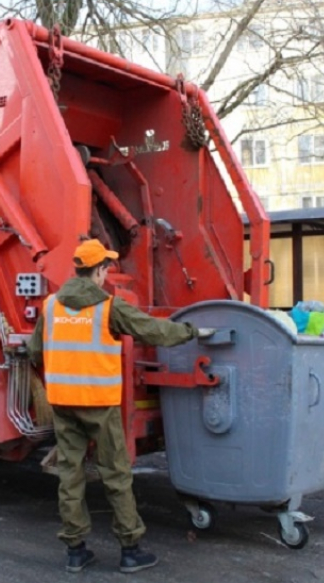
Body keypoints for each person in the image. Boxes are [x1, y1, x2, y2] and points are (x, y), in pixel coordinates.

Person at [27, 238, 213, 573]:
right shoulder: (108, 307)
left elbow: (35, 351)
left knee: (70, 475)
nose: (106, 274)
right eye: (105, 268)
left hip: (64, 405)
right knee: (115, 474)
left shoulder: (51, 305)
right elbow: (153, 331)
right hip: (99, 404)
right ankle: (130, 549)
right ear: (98, 271)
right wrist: (192, 331)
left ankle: (75, 551)